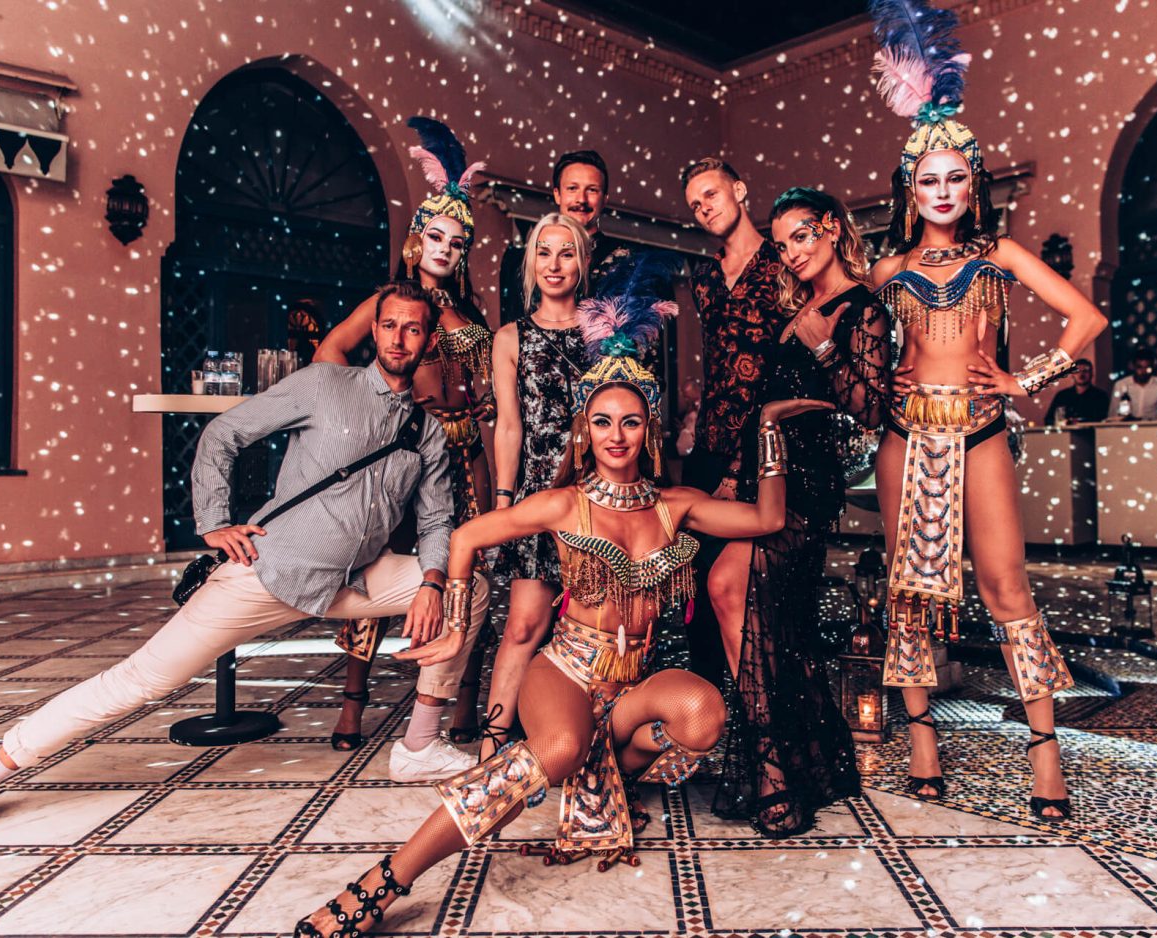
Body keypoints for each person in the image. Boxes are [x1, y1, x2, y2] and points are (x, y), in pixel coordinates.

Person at [294, 283, 826, 938]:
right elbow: (466, 538)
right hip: (567, 672)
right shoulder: (564, 504)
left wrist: (768, 429)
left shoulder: (676, 506)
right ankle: (387, 879)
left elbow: (768, 519)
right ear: (584, 430)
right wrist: (455, 625)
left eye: (630, 422)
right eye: (602, 422)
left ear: (649, 430)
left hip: (631, 686)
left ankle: (604, 771)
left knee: (703, 717)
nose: (616, 436)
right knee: (562, 745)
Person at [0, 281, 492, 851]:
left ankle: (419, 745)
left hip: (353, 581)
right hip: (269, 571)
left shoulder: (427, 433)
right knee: (140, 680)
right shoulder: (323, 385)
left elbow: (438, 520)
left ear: (427, 340)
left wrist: (432, 582)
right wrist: (214, 520)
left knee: (472, 589)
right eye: (389, 325)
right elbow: (224, 432)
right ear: (374, 331)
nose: (398, 338)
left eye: (412, 329)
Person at [868, 0, 1107, 822]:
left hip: (980, 432)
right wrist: (869, 381)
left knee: (1007, 585)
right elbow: (828, 334)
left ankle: (1045, 749)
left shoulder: (998, 255)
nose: (942, 191)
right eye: (928, 179)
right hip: (904, 436)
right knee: (908, 593)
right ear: (911, 188)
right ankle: (922, 741)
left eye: (955, 178)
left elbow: (1086, 319)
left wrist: (1026, 379)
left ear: (974, 185)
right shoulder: (887, 270)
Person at [311, 117, 497, 769]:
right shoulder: (389, 301)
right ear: (417, 238)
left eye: (457, 241)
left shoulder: (470, 313)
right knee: (381, 566)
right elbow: (330, 351)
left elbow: (485, 376)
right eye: (436, 236)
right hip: (404, 452)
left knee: (464, 573)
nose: (445, 248)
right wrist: (368, 408)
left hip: (465, 451)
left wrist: (484, 410)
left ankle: (459, 701)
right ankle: (353, 702)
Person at [710, 187, 890, 837]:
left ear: (833, 229)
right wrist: (733, 475)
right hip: (763, 479)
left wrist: (825, 350)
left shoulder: (861, 308)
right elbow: (764, 405)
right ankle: (806, 753)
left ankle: (774, 769)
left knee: (736, 592)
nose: (791, 253)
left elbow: (872, 409)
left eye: (802, 236)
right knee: (772, 619)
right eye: (782, 243)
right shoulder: (797, 313)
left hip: (807, 487)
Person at [479, 212, 594, 759]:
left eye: (566, 253)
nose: (554, 264)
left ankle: (592, 753)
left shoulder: (605, 332)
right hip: (536, 497)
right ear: (530, 264)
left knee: (596, 627)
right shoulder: (510, 337)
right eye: (543, 253)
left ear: (582, 262)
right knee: (524, 625)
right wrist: (505, 503)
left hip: (596, 498)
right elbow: (509, 426)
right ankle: (491, 751)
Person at [679, 156, 788, 692]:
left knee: (749, 588)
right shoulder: (703, 278)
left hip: (763, 449)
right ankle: (705, 711)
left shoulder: (782, 263)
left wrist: (741, 466)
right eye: (694, 204)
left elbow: (780, 372)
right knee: (696, 587)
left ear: (740, 191)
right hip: (708, 447)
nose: (704, 208)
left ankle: (762, 710)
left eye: (711, 195)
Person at [498, 150, 620, 324]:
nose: (581, 199)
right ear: (557, 194)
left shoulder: (624, 261)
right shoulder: (519, 260)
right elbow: (510, 322)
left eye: (592, 190)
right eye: (572, 188)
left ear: (605, 199)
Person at [1043, 358, 1110, 425]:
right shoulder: (1062, 396)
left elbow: (1105, 420)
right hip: (1066, 431)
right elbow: (1049, 420)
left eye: (1085, 371)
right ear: (1072, 374)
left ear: (1091, 373)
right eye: (1077, 371)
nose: (1081, 374)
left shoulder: (1100, 396)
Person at [1111, 350, 1157, 421]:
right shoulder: (1121, 385)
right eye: (1139, 367)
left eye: (1147, 368)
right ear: (1133, 367)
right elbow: (1113, 413)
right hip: (1126, 426)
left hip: (1153, 426)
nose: (1143, 371)